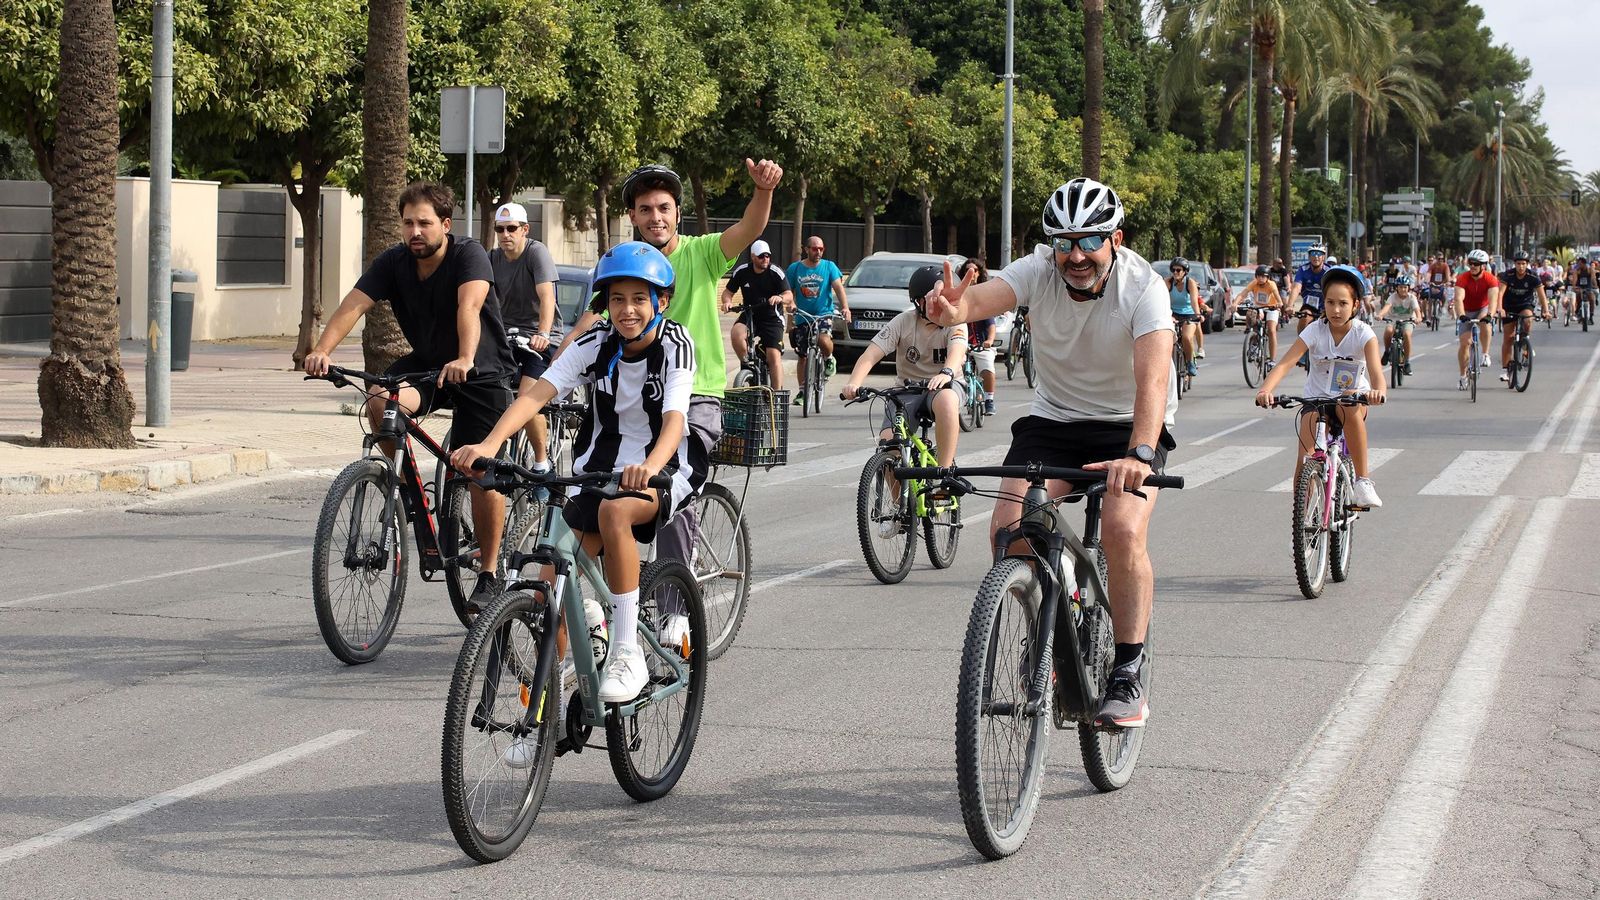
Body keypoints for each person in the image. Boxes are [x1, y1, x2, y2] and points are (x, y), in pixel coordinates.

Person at [925, 177, 1178, 730]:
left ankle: (1128, 672)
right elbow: (979, 300)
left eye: (1089, 240)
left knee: (1123, 529)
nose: (1076, 255)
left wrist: (1139, 451)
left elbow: (1152, 382)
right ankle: (1049, 628)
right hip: (1054, 420)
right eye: (1064, 242)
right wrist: (953, 309)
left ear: (1116, 238)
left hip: (1127, 426)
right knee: (1009, 528)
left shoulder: (1144, 287)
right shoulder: (1038, 270)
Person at [451, 242, 701, 703]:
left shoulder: (675, 344)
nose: (627, 310)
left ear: (660, 302)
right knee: (552, 586)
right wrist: (489, 445)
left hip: (664, 468)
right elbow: (535, 395)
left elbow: (675, 421)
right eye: (617, 299)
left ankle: (628, 652)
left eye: (639, 298)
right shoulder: (595, 343)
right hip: (597, 472)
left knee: (614, 515)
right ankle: (539, 716)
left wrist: (648, 466)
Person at [558, 159, 783, 575]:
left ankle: (674, 615)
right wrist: (559, 363)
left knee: (670, 482)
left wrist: (763, 191)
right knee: (596, 482)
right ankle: (607, 603)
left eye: (664, 208)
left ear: (678, 212)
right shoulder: (623, 262)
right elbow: (594, 319)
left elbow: (748, 230)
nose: (655, 217)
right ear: (632, 216)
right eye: (645, 209)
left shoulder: (701, 253)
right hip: (635, 396)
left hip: (694, 395)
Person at [304, 182, 516, 611]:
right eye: (408, 223)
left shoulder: (468, 255)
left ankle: (491, 572)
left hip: (482, 370)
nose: (415, 231)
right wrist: (322, 351)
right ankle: (401, 479)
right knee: (382, 400)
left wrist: (464, 357)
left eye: (424, 223)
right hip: (428, 366)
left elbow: (469, 308)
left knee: (479, 469)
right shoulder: (394, 262)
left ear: (445, 224)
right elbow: (353, 305)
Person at [1254, 264, 1387, 508]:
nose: (1336, 310)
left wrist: (1376, 392)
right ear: (1323, 304)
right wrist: (1265, 390)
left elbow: (1377, 373)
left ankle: (1363, 482)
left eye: (1343, 303)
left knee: (1348, 402)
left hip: (1352, 401)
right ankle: (1301, 517)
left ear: (1355, 305)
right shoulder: (1315, 330)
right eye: (1330, 302)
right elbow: (1285, 363)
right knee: (1304, 460)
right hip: (1316, 400)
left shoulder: (1363, 334)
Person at [840, 265, 968, 468]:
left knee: (947, 401)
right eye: (934, 299)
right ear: (918, 302)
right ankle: (899, 498)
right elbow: (870, 355)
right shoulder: (903, 321)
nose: (941, 304)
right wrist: (853, 383)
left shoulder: (955, 321)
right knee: (889, 444)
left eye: (945, 299)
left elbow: (957, 350)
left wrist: (947, 372)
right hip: (906, 390)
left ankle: (943, 474)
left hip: (944, 385)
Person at [488, 202, 563, 476]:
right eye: (500, 229)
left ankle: (542, 463)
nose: (505, 234)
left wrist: (543, 333)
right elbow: (483, 300)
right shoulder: (493, 258)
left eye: (511, 228)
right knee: (484, 391)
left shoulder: (536, 253)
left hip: (540, 340)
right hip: (507, 336)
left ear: (525, 229)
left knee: (526, 400)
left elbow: (547, 297)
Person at [786, 236, 852, 403]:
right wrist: (791, 305)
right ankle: (802, 392)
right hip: (803, 316)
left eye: (821, 249)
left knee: (823, 339)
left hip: (824, 313)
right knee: (802, 355)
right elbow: (787, 292)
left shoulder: (829, 267)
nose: (818, 252)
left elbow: (838, 288)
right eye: (815, 249)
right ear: (806, 249)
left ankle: (829, 358)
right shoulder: (795, 269)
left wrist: (845, 308)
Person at [721, 239, 792, 391]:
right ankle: (748, 365)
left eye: (767, 256)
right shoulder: (742, 271)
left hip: (772, 317)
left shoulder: (776, 272)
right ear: (753, 257)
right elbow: (728, 292)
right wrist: (727, 302)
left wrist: (780, 298)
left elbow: (788, 295)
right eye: (761, 256)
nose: (765, 259)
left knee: (773, 355)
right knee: (736, 334)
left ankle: (777, 395)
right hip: (750, 312)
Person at [1496, 252, 1548, 382]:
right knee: (1508, 338)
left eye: (1523, 264)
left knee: (1527, 318)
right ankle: (1505, 369)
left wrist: (1546, 311)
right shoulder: (1508, 275)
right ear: (1515, 264)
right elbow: (1500, 293)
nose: (1521, 267)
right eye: (1518, 264)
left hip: (1525, 305)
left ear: (1527, 264)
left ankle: (1525, 343)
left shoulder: (1533, 276)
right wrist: (1500, 308)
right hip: (1509, 306)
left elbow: (1542, 296)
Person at [1454, 248, 1500, 389]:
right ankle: (1463, 376)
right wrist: (1461, 315)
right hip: (1466, 310)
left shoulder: (1491, 279)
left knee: (1485, 323)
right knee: (1464, 343)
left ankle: (1485, 354)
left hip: (1482, 308)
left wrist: (1489, 315)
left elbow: (1493, 301)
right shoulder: (1462, 278)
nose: (1472, 266)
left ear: (1483, 266)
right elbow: (1458, 299)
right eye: (1471, 263)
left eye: (1476, 263)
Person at [958, 259, 998, 415]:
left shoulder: (984, 293)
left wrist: (989, 341)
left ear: (978, 273)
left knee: (987, 367)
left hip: (981, 343)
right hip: (960, 343)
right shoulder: (958, 292)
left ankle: (989, 400)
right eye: (967, 270)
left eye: (974, 270)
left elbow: (991, 324)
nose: (971, 273)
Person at [1232, 264, 1284, 363]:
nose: (1260, 278)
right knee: (1251, 316)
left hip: (1271, 307)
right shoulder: (1253, 283)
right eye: (1258, 276)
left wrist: (1279, 303)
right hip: (1259, 307)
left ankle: (1272, 360)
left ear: (1267, 278)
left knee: (1271, 330)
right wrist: (1235, 303)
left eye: (1263, 276)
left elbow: (1277, 297)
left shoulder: (1271, 284)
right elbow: (1242, 294)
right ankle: (1253, 343)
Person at [1375, 274, 1421, 375]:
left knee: (1407, 334)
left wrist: (1418, 318)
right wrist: (1380, 315)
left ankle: (1407, 362)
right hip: (1393, 319)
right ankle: (1387, 352)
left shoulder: (1412, 298)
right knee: (1388, 331)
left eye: (1405, 287)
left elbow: (1417, 310)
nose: (1403, 289)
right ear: (1397, 288)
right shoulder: (1393, 297)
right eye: (1400, 287)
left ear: (1408, 288)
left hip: (1408, 320)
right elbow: (1387, 307)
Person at [1166, 257, 1205, 377]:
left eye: (1178, 270)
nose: (1175, 273)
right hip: (1172, 314)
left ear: (1185, 272)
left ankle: (1190, 362)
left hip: (1189, 314)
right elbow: (1162, 300)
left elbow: (1194, 302)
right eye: (1173, 270)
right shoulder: (1167, 282)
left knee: (1187, 337)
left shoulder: (1190, 283)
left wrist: (1198, 315)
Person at [1287, 243, 1330, 334]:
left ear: (1323, 257)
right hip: (1309, 305)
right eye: (1313, 253)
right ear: (1309, 256)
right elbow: (1296, 288)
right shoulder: (1303, 270)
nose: (1316, 257)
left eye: (1319, 254)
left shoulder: (1329, 271)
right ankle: (1301, 344)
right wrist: (1290, 305)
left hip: (1327, 305)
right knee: (1304, 316)